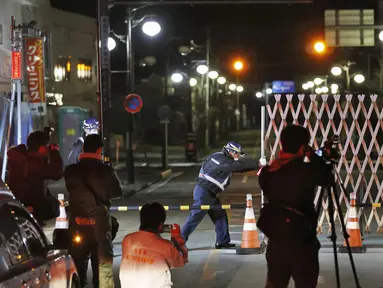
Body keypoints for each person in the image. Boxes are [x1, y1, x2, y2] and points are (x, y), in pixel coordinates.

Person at [257, 124, 334, 288]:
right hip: (302, 240)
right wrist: (314, 156)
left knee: (275, 283)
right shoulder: (307, 170)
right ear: (303, 147)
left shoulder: (267, 172)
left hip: (276, 239)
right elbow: (327, 179)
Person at [65, 134, 122, 288]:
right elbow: (117, 192)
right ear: (100, 149)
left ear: (83, 148)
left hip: (77, 225)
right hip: (99, 226)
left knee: (77, 269)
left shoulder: (70, 170)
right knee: (102, 271)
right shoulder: (105, 170)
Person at [181, 141, 264, 249]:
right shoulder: (218, 158)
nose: (238, 156)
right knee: (194, 218)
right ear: (230, 151)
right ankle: (179, 242)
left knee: (220, 215)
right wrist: (257, 164)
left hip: (210, 193)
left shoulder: (226, 161)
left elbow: (239, 167)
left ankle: (222, 241)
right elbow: (236, 167)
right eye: (237, 153)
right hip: (203, 192)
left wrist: (257, 165)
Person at [120, 202, 188, 288]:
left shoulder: (127, 240)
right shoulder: (166, 246)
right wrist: (177, 238)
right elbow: (181, 261)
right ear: (160, 226)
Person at [7, 128, 63, 225]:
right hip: (29, 211)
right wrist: (54, 152)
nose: (47, 150)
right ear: (41, 148)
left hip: (24, 209)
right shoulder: (33, 164)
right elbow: (57, 173)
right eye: (47, 147)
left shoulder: (25, 160)